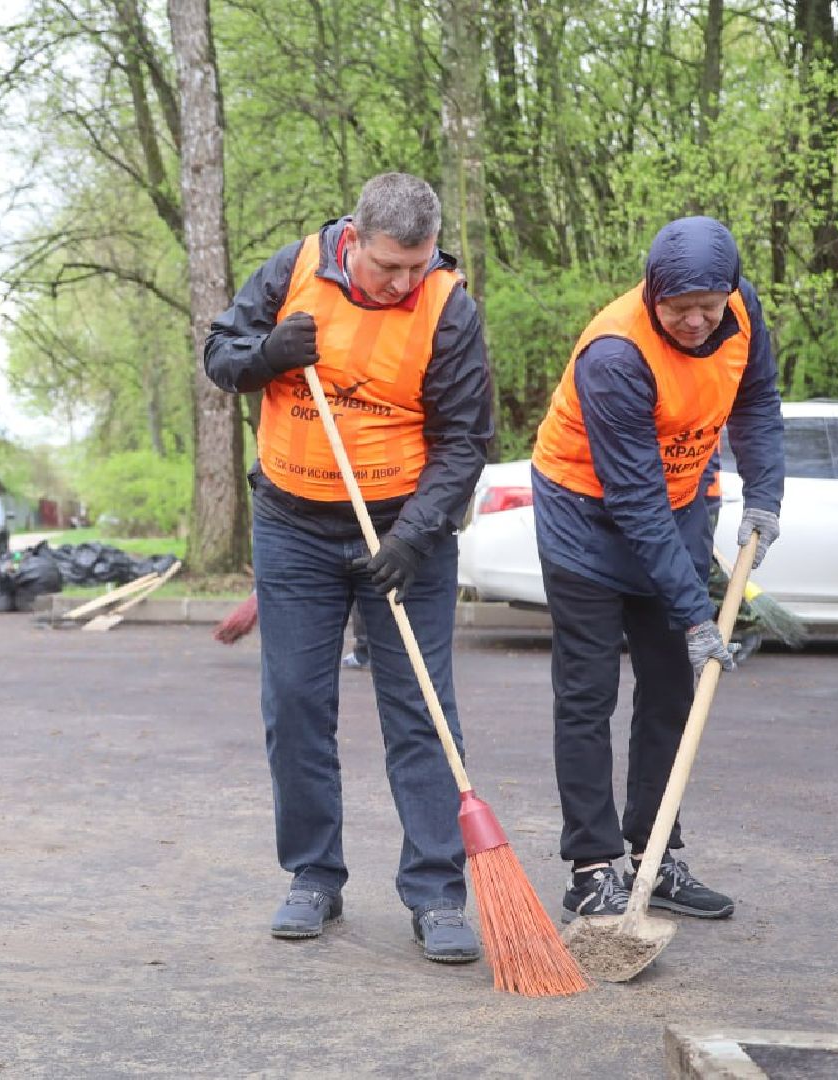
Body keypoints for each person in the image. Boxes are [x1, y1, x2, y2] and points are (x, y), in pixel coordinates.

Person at [204, 173, 494, 962]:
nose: (404, 281)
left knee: (421, 711)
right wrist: (267, 354)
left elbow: (467, 439)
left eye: (418, 263)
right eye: (389, 265)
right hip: (293, 526)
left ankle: (436, 892)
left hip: (403, 531)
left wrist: (414, 535)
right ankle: (313, 876)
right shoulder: (291, 270)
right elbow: (218, 354)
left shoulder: (447, 306)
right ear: (355, 239)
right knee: (296, 702)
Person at [530, 216, 783, 923]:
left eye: (709, 306)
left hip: (676, 504)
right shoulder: (613, 355)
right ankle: (590, 869)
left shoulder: (739, 310)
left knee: (672, 690)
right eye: (680, 311)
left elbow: (757, 403)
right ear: (651, 296)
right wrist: (696, 612)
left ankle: (653, 854)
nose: (698, 321)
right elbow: (632, 499)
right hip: (585, 518)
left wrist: (763, 497)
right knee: (586, 696)